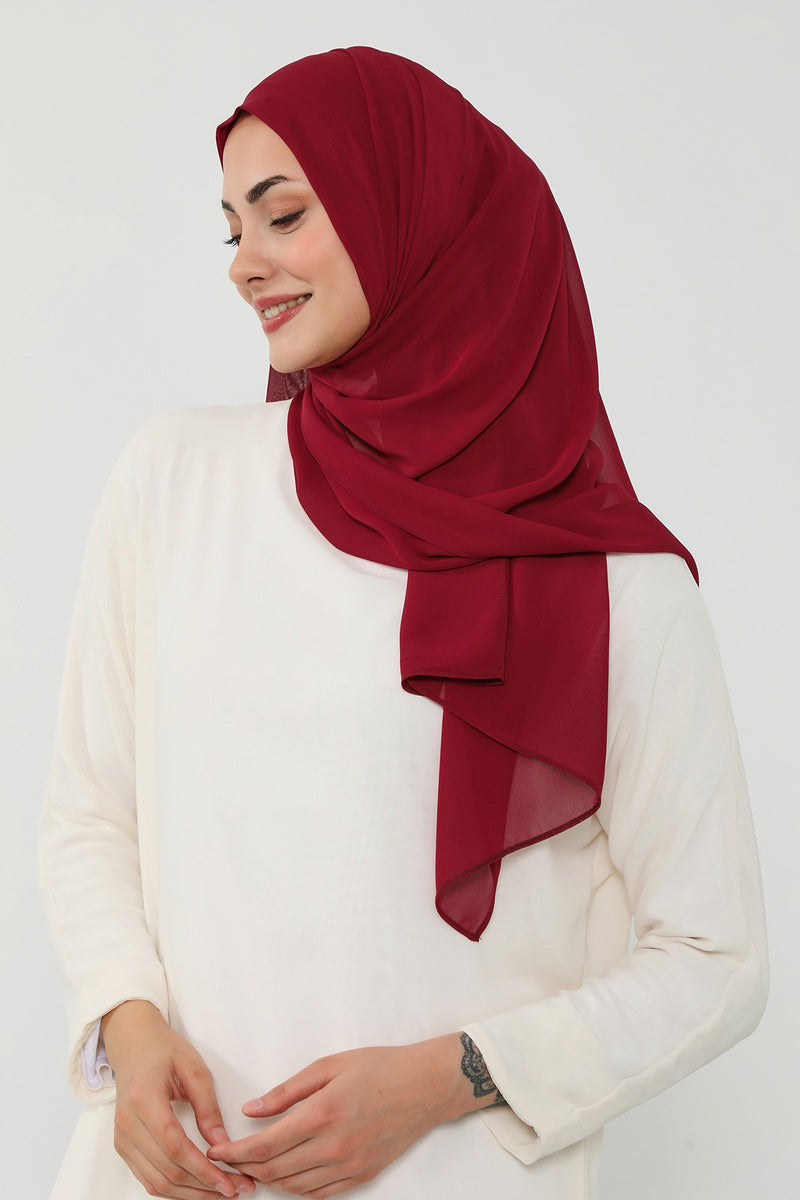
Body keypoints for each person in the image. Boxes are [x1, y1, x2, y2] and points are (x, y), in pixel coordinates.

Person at [40, 45, 768, 1200]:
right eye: (230, 228)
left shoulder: (617, 584)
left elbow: (715, 961)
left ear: (415, 216)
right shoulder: (174, 483)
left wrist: (449, 1077)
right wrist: (127, 1026)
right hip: (175, 1179)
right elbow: (91, 809)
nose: (243, 264)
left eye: (283, 215)